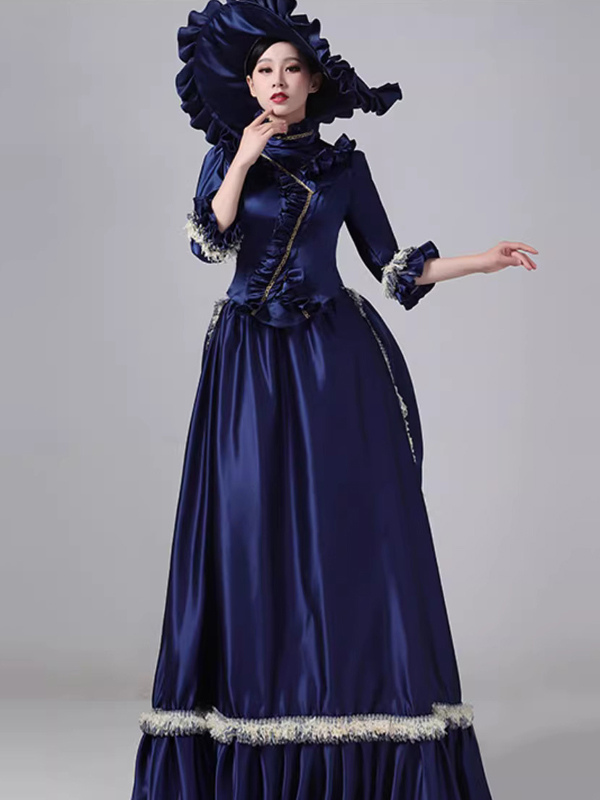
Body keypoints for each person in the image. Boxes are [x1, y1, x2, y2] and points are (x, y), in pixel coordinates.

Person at [130, 2, 538, 797]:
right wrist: (243, 160)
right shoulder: (224, 157)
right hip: (248, 364)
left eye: (292, 68)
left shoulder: (345, 168)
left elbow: (392, 267)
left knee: (346, 535)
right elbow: (209, 242)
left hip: (331, 363)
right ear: (250, 84)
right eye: (264, 71)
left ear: (315, 81)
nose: (278, 81)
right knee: (246, 533)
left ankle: (356, 736)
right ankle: (249, 732)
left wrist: (479, 261)